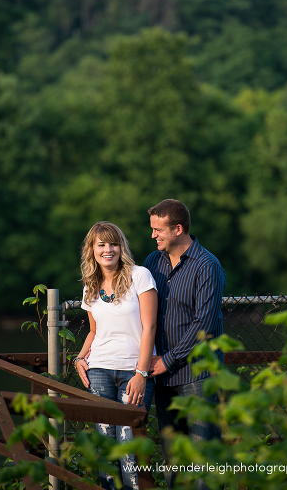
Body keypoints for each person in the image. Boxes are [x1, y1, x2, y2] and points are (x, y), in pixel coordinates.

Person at [143, 199, 224, 489]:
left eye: (158, 230)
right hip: (162, 379)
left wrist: (168, 359)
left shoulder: (207, 265)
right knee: (173, 463)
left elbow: (203, 324)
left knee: (206, 464)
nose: (153, 235)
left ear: (178, 229)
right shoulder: (152, 262)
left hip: (198, 376)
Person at [74, 221, 157, 490]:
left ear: (121, 247)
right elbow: (94, 331)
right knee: (105, 450)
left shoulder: (140, 276)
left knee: (129, 449)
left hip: (134, 372)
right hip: (99, 372)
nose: (108, 249)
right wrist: (79, 358)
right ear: (92, 250)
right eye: (101, 245)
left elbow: (150, 327)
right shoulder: (90, 287)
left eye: (113, 243)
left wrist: (141, 374)